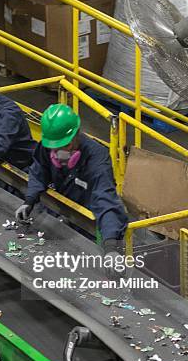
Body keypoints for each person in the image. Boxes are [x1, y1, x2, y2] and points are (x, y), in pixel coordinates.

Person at [15, 103, 128, 258]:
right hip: (64, 212)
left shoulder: (96, 159)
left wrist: (111, 246)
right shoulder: (49, 145)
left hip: (90, 222)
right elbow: (39, 170)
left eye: (65, 146)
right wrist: (29, 200)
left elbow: (105, 200)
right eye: (54, 147)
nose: (59, 153)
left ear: (77, 135)